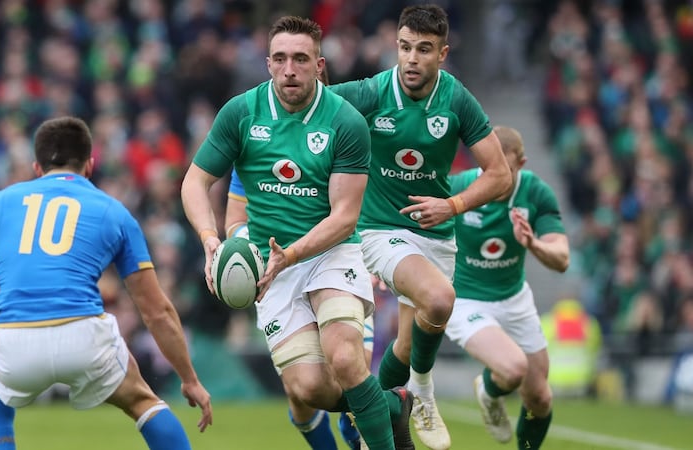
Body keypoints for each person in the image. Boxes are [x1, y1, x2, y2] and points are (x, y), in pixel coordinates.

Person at [181, 15, 413, 450]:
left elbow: (345, 218)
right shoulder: (241, 113)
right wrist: (212, 240)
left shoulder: (345, 121)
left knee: (345, 358)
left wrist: (290, 253)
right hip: (273, 269)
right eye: (281, 58)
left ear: (319, 65)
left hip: (331, 253)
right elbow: (194, 182)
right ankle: (389, 405)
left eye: (301, 59)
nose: (290, 69)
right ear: (268, 63)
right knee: (309, 389)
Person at [0, 116, 213, 450]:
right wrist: (189, 379)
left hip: (15, 342)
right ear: (90, 165)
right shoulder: (114, 211)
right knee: (142, 401)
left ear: (36, 167)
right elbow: (156, 310)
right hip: (83, 339)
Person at [328, 4, 512, 449]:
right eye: (405, 47)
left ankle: (367, 417)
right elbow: (313, 108)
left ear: (442, 54)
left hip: (436, 235)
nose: (412, 58)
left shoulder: (456, 99)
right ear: (396, 46)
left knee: (408, 347)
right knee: (441, 298)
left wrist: (452, 205)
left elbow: (500, 175)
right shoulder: (372, 92)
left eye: (424, 49)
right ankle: (424, 394)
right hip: (380, 230)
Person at [225, 172, 371, 450]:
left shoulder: (338, 145)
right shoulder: (249, 151)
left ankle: (363, 418)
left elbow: (354, 205)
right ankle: (375, 406)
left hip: (336, 261)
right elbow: (234, 220)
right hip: (278, 278)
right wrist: (250, 246)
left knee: (350, 364)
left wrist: (371, 253)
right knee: (304, 391)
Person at [445, 125, 569, 449]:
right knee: (513, 369)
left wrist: (533, 244)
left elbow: (562, 259)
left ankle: (490, 393)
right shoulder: (457, 187)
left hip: (515, 299)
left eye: (507, 169)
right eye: (490, 169)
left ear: (522, 164)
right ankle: (490, 390)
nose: (498, 177)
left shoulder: (535, 192)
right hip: (466, 301)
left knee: (540, 397)